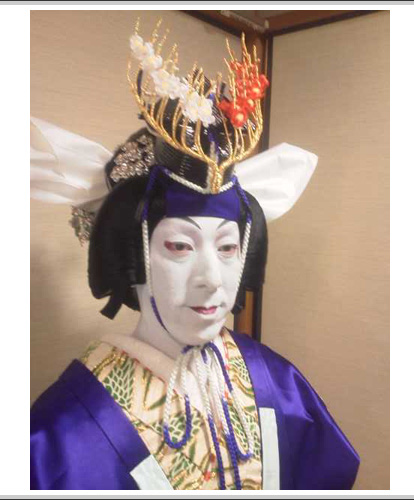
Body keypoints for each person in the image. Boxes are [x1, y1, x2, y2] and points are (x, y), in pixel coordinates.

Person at [30, 24, 360, 490]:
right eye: (180, 246)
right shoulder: (61, 436)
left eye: (227, 248)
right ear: (130, 255)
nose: (212, 279)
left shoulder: (275, 382)